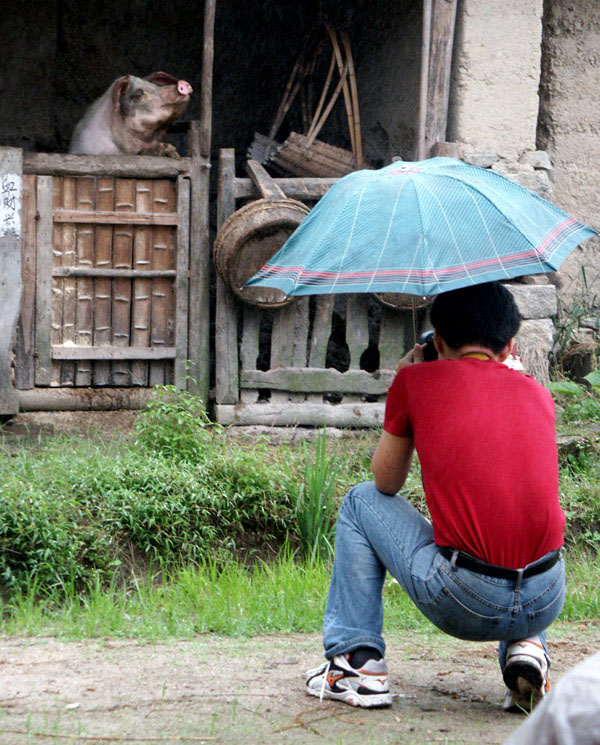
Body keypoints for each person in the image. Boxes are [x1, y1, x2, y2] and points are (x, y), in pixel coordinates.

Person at [306, 281, 566, 712]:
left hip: (466, 600)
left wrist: (406, 382)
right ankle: (527, 647)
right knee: (520, 520)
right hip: (546, 595)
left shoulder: (416, 380)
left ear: (437, 341)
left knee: (358, 501)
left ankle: (358, 665)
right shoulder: (539, 393)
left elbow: (386, 484)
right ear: (511, 345)